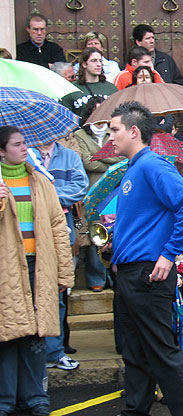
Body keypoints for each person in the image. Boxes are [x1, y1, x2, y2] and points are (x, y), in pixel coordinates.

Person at [108, 101, 183, 416]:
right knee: (135, 351)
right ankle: (136, 409)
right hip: (130, 274)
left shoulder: (152, 165)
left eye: (114, 130)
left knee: (162, 352)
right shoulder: (134, 169)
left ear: (134, 131)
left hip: (147, 275)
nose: (110, 138)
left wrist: (169, 253)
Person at [0, 126, 74, 416]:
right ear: (2, 150)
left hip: (38, 265)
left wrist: (63, 273)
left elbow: (58, 225)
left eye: (23, 143)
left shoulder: (40, 180)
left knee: (36, 334)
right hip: (6, 268)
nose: (23, 148)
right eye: (16, 144)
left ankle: (35, 395)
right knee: (8, 333)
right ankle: (5, 398)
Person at [32, 138, 88, 372]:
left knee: (58, 293)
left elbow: (80, 187)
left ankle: (55, 351)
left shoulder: (69, 156)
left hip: (61, 226)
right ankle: (31, 354)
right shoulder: (27, 155)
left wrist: (49, 193)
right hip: (31, 229)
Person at [74, 97, 123, 291]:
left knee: (114, 229)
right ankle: (97, 279)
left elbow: (121, 156)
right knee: (96, 231)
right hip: (93, 190)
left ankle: (115, 274)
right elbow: (86, 161)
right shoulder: (80, 135)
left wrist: (102, 157)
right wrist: (108, 159)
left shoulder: (114, 133)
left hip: (114, 189)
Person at [62, 47, 118, 116]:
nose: (98, 64)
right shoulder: (71, 89)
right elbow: (64, 116)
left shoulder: (111, 88)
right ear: (84, 64)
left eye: (100, 61)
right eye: (94, 60)